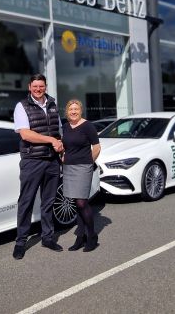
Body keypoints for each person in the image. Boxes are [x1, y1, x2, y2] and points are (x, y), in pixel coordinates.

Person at [12, 74, 64, 260]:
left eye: (41, 86)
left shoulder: (52, 104)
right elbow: (26, 134)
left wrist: (61, 147)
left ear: (45, 87)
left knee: (48, 201)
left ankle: (47, 237)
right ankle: (20, 242)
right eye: (35, 86)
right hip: (32, 161)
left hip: (52, 161)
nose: (38, 89)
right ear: (29, 87)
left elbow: (59, 131)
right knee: (26, 201)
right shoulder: (22, 106)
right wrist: (51, 140)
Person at [61, 99, 102, 252]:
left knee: (82, 203)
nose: (73, 111)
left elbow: (97, 147)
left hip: (84, 167)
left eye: (76, 109)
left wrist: (88, 162)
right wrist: (63, 157)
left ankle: (91, 236)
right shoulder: (64, 127)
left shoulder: (88, 126)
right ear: (67, 111)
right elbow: (63, 145)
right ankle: (80, 237)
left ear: (81, 110)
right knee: (76, 203)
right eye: (71, 109)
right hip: (69, 167)